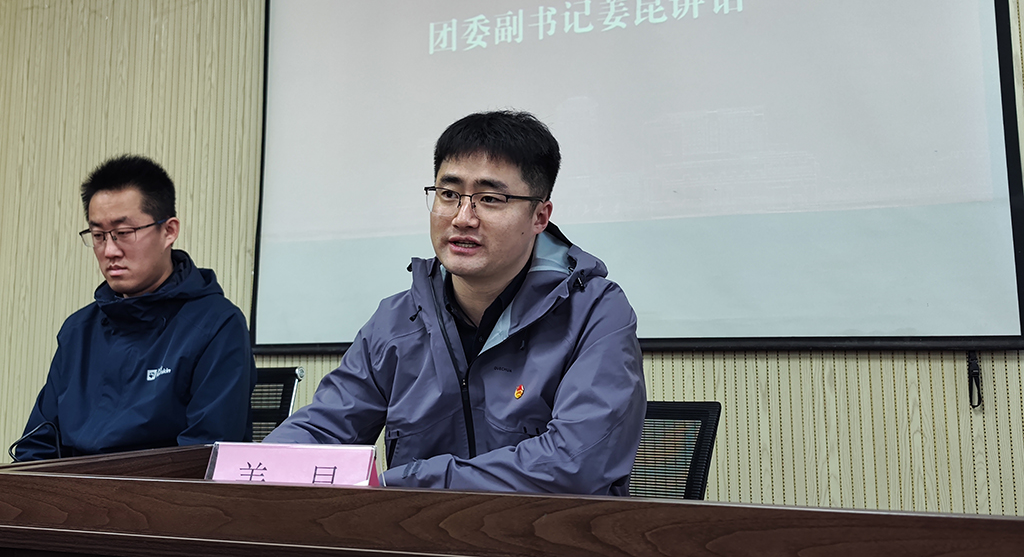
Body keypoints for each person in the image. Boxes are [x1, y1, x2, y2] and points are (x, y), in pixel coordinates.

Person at [265, 110, 646, 495]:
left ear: (540, 216)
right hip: (417, 529)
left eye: (490, 199)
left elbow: (574, 463)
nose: (463, 218)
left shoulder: (595, 312)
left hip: (548, 531)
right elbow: (323, 428)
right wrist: (258, 467)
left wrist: (403, 482)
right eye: (448, 194)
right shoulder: (397, 320)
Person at [13, 155, 256, 461]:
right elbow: (36, 447)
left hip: (160, 489)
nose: (110, 251)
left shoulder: (217, 325)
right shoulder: (78, 330)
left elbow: (204, 458)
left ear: (169, 231)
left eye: (124, 233)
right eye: (98, 236)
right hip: (73, 489)